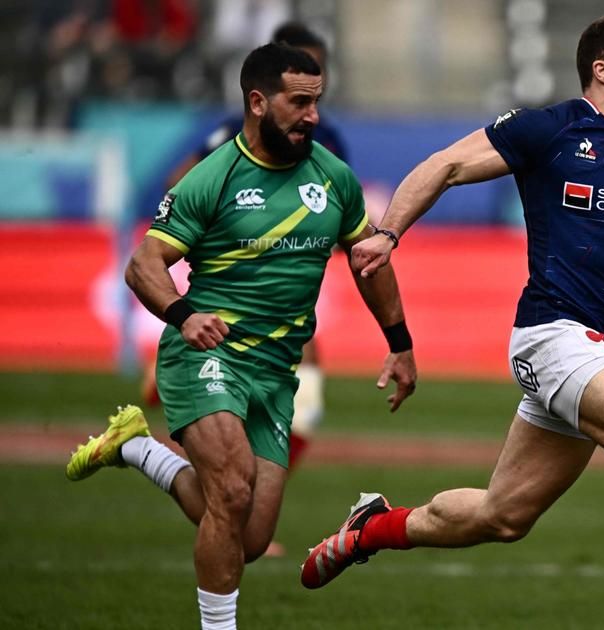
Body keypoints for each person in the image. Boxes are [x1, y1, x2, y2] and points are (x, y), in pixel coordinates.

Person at [299, 12, 604, 630]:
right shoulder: (551, 129)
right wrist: (387, 232)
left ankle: (370, 528)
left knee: (503, 516)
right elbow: (447, 165)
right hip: (552, 334)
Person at [65, 43, 417, 630]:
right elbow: (142, 265)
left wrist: (400, 342)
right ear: (258, 102)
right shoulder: (214, 177)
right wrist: (183, 315)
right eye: (299, 102)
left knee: (247, 537)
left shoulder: (333, 178)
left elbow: (366, 262)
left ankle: (136, 447)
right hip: (207, 352)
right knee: (230, 489)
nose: (313, 116)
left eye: (317, 102)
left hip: (276, 371)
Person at [153, 21, 349, 472]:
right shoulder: (234, 135)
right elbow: (178, 182)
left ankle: (249, 503)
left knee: (299, 413)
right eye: (304, 68)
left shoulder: (326, 141)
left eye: (319, 71)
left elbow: (338, 217)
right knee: (245, 463)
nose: (313, 81)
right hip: (231, 297)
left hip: (286, 308)